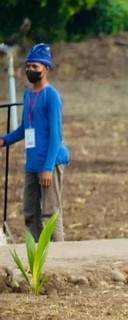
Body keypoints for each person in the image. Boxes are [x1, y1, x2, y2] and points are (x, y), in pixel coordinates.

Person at [0, 43, 69, 242]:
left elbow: (56, 136)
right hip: (33, 162)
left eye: (35, 67)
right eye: (28, 66)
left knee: (50, 212)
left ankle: (59, 257)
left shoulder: (52, 96)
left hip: (50, 162)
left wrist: (47, 168)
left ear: (46, 69)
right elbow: (26, 128)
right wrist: (5, 141)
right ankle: (36, 254)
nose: (30, 70)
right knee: (30, 212)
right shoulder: (29, 95)